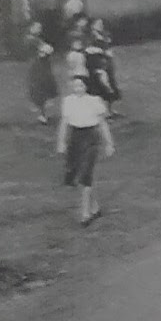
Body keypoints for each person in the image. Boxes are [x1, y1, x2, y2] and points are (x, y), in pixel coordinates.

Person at [57, 75, 115, 226]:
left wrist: (109, 143)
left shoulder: (94, 101)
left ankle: (85, 214)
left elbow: (102, 124)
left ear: (86, 87)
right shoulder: (68, 101)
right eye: (75, 86)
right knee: (76, 175)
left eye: (81, 86)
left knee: (86, 173)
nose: (78, 89)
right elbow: (64, 123)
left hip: (91, 138)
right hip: (75, 138)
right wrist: (62, 142)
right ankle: (94, 207)